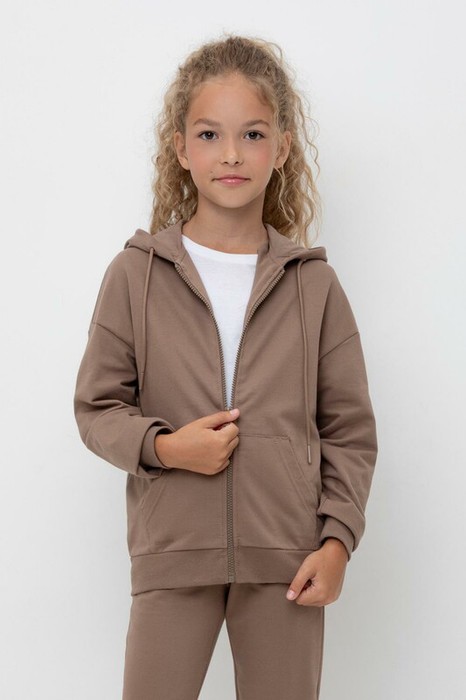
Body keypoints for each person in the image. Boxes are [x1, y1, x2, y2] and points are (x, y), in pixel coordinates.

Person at [73, 33, 378, 700]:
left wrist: (337, 542)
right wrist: (166, 448)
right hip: (173, 551)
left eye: (253, 134)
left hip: (288, 561)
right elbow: (96, 408)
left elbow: (350, 430)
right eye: (210, 134)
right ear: (181, 149)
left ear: (283, 148)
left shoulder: (314, 286)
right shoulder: (135, 275)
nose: (232, 154)